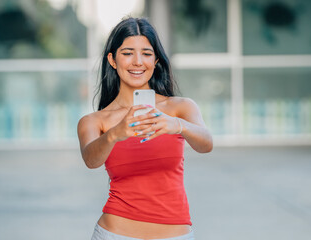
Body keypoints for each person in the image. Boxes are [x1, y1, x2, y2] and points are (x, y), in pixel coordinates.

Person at [77, 17, 213, 240]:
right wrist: (114, 134)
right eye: (128, 52)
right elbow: (91, 160)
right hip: (115, 233)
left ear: (156, 60)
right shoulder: (95, 121)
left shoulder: (179, 107)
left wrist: (177, 125)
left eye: (147, 53)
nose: (138, 61)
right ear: (112, 59)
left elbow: (207, 144)